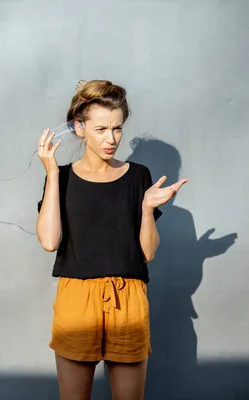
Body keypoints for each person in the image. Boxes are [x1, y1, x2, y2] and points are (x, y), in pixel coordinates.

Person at [36, 80, 188, 400]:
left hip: (129, 298)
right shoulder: (61, 178)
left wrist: (147, 209)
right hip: (77, 297)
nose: (111, 139)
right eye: (102, 129)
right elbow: (50, 241)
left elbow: (147, 253)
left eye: (117, 129)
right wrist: (51, 174)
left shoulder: (139, 176)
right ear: (80, 128)